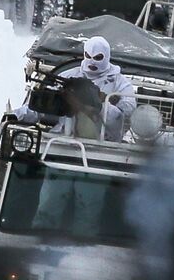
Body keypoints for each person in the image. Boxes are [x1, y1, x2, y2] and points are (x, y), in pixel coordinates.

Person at [16, 36, 139, 231]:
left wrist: (99, 104)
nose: (91, 62)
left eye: (98, 57)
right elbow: (41, 106)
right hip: (63, 148)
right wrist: (16, 116)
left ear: (106, 57)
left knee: (89, 208)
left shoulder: (120, 84)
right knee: (49, 202)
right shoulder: (70, 76)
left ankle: (81, 249)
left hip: (98, 154)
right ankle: (41, 239)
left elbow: (124, 116)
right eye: (88, 56)